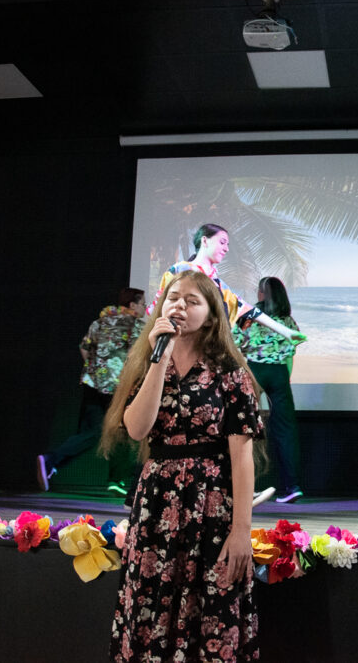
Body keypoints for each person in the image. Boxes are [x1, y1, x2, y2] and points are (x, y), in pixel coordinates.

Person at [103, 270, 263, 662]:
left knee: (211, 606)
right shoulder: (150, 362)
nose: (179, 305)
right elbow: (137, 429)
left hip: (210, 504)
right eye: (173, 298)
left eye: (192, 301)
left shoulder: (230, 371)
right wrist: (159, 358)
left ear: (210, 316)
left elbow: (242, 457)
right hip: (157, 505)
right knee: (152, 602)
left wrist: (241, 530)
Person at [36, 288, 146, 494]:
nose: (145, 308)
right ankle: (117, 478)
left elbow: (84, 348)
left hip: (92, 384)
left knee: (94, 431)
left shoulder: (99, 322)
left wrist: (96, 371)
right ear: (132, 305)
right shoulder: (136, 326)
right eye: (142, 304)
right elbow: (135, 355)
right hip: (116, 386)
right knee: (121, 429)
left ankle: (52, 460)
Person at [151, 223, 306, 342]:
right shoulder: (180, 270)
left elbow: (246, 308)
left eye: (227, 245)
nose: (226, 249)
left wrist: (286, 332)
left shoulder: (217, 283)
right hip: (181, 344)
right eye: (222, 242)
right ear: (205, 240)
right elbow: (158, 308)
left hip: (209, 346)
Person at [234, 276, 303, 503]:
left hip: (254, 370)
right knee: (286, 431)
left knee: (245, 429)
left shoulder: (249, 317)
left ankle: (245, 487)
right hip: (280, 373)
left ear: (262, 294)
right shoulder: (287, 320)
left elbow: (234, 343)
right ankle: (291, 486)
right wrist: (284, 378)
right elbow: (291, 351)